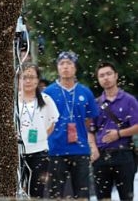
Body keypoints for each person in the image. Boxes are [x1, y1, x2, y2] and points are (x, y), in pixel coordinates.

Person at [44, 51, 99, 199]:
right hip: (55, 149)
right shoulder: (48, 92)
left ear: (75, 68)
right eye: (62, 64)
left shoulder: (85, 92)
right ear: (57, 68)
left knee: (82, 193)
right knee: (55, 193)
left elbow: (88, 120)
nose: (65, 67)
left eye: (69, 63)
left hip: (80, 150)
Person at [92, 61, 138, 201]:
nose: (105, 78)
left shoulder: (129, 100)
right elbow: (90, 129)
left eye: (108, 74)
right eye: (101, 76)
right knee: (102, 197)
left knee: (126, 196)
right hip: (101, 156)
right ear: (98, 80)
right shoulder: (96, 103)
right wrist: (93, 148)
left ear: (116, 76)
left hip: (124, 154)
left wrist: (118, 134)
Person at [18, 63, 59, 198]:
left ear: (37, 80)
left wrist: (40, 138)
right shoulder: (13, 101)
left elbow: (51, 123)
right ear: (18, 79)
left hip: (40, 153)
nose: (28, 81)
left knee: (37, 192)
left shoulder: (46, 100)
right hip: (17, 153)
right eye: (24, 77)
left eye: (31, 77)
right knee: (17, 191)